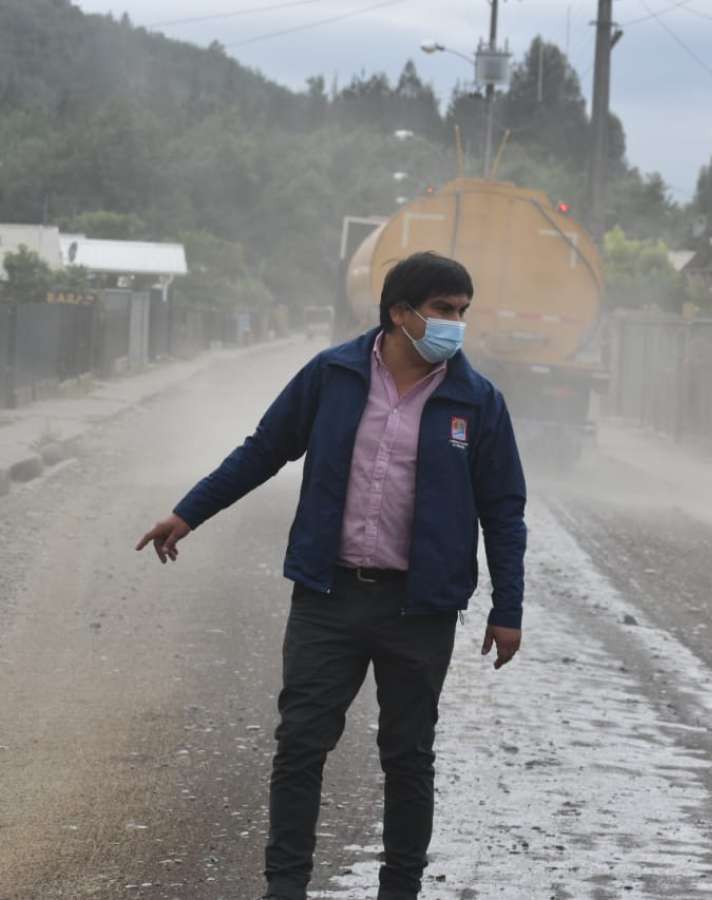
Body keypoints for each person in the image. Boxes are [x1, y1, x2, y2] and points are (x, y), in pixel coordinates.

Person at [136, 252, 527, 900]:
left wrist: (507, 607)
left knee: (408, 758)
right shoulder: (335, 376)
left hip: (420, 610)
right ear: (399, 313)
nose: (455, 324)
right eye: (442, 310)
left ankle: (399, 890)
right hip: (328, 596)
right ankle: (284, 887)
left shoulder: (476, 400)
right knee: (300, 743)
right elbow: (265, 449)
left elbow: (504, 511)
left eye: (462, 312)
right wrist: (188, 512)